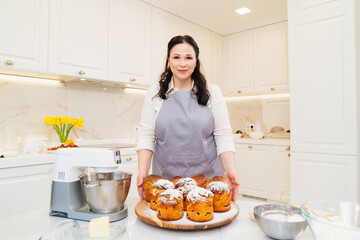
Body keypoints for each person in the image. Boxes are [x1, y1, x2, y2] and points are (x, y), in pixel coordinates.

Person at [136, 35, 239, 201]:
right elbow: (146, 134)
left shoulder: (212, 92)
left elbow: (223, 134)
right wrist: (143, 171)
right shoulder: (154, 93)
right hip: (166, 182)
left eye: (188, 57)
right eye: (176, 57)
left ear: (196, 60)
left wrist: (231, 169)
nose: (182, 63)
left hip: (207, 182)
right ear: (168, 60)